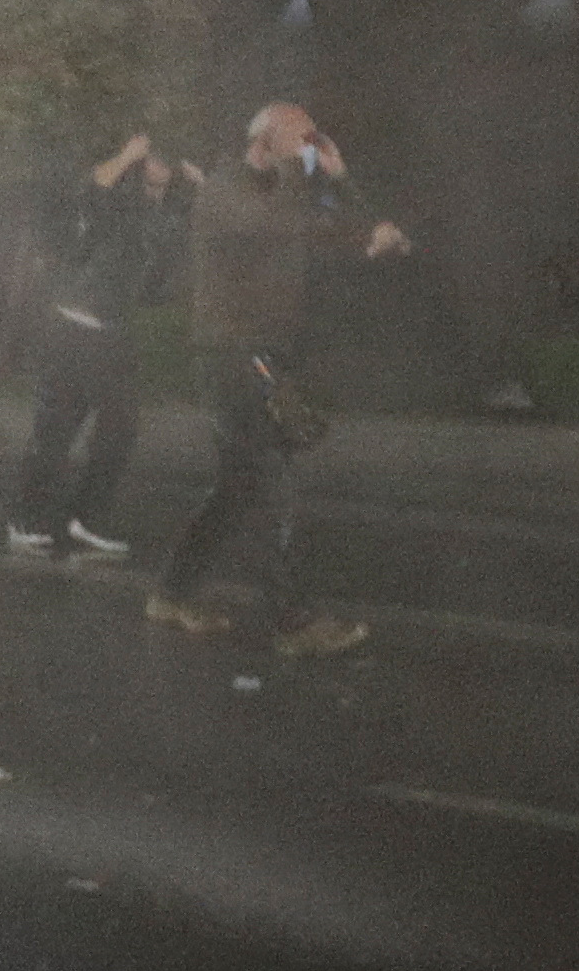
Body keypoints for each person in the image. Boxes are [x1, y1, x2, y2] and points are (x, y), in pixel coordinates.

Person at [148, 101, 410, 656]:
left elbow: (346, 232)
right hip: (231, 356)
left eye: (314, 138)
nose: (311, 148)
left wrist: (348, 187)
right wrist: (303, 170)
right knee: (273, 481)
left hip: (262, 354)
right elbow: (274, 225)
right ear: (262, 144)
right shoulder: (225, 189)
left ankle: (172, 592)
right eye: (300, 138)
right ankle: (295, 620)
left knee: (236, 487)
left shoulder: (283, 193)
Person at [8, 133, 186, 558]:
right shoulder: (118, 201)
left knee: (119, 433)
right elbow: (93, 188)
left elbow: (159, 273)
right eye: (156, 160)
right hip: (76, 325)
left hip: (115, 332)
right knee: (57, 430)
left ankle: (87, 520)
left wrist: (191, 191)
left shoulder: (162, 213)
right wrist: (127, 155)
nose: (163, 166)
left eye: (169, 161)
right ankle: (25, 519)